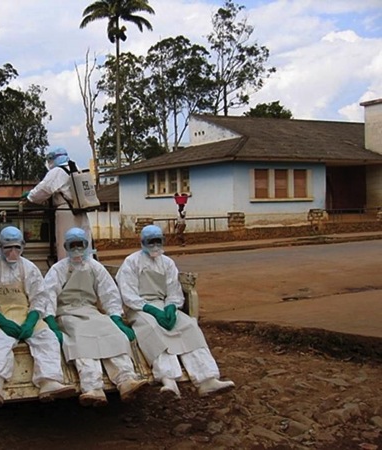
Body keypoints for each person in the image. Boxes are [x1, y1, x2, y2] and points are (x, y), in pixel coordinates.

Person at [116, 225, 235, 398]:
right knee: (153, 330)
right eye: (151, 241)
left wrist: (171, 306)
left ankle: (207, 378)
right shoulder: (131, 262)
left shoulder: (168, 263)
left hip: (163, 304)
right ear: (142, 242)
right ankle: (168, 379)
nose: (155, 245)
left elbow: (173, 290)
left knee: (188, 326)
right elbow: (128, 294)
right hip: (139, 308)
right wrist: (151, 310)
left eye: (158, 241)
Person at [43, 227, 147, 407]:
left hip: (91, 311)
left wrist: (115, 318)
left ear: (86, 245)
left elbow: (109, 292)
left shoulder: (94, 267)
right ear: (66, 246)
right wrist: (51, 321)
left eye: (80, 245)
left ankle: (126, 379)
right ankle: (92, 387)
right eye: (72, 245)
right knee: (81, 340)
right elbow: (48, 294)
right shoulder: (58, 269)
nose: (76, 249)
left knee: (112, 334)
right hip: (67, 313)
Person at [0, 226, 76, 407]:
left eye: (16, 247)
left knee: (48, 338)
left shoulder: (29, 268)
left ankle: (48, 381)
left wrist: (31, 321)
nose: (12, 252)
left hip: (26, 315)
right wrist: (1, 321)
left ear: (23, 246)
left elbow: (39, 297)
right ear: (0, 247)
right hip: (2, 317)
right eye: (8, 248)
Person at [22, 148, 92, 260]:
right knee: (83, 244)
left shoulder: (57, 171)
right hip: (80, 210)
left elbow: (43, 189)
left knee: (66, 243)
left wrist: (30, 195)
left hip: (66, 211)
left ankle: (66, 271)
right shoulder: (75, 168)